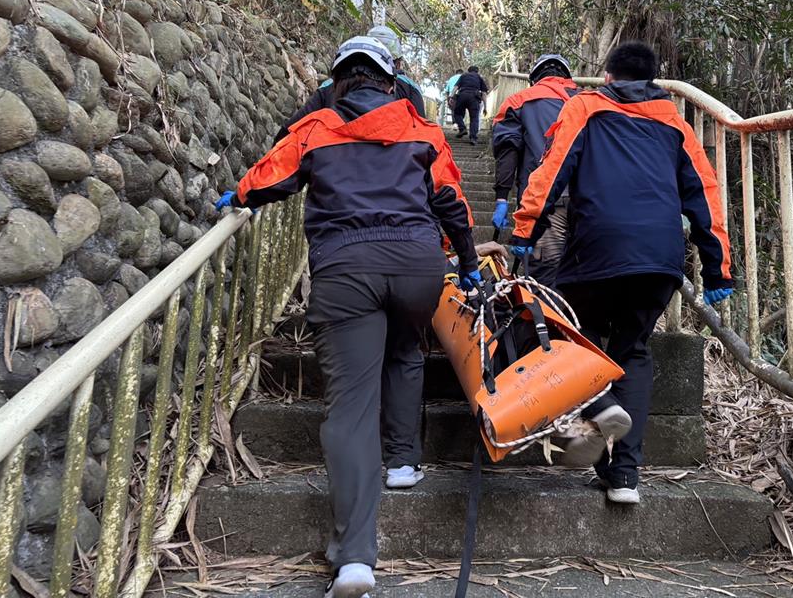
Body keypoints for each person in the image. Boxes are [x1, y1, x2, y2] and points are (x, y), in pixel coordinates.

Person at [215, 36, 481, 597]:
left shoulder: (316, 128)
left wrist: (236, 196)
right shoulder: (422, 129)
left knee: (351, 408)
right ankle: (405, 462)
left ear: (338, 82)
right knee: (407, 351)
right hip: (417, 265)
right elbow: (453, 202)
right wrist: (468, 261)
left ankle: (356, 557)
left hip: (346, 269)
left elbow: (268, 179)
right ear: (390, 82)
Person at [508, 41, 734, 505]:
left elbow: (551, 171)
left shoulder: (585, 106)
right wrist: (717, 271)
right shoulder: (676, 122)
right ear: (652, 81)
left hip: (598, 247)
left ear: (608, 76)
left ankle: (597, 409)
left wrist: (526, 230)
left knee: (569, 336)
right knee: (632, 350)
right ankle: (623, 476)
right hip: (660, 256)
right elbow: (705, 195)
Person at [490, 53, 578, 285]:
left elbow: (508, 153)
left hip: (544, 206)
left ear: (534, 78)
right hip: (591, 206)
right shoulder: (589, 101)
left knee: (545, 282)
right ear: (567, 77)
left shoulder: (518, 101)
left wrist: (501, 199)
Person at [270, 29, 426, 145]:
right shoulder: (410, 88)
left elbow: (289, 132)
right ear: (396, 64)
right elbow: (421, 140)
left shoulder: (329, 86)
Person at [450, 65, 488, 144]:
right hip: (474, 98)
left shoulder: (463, 76)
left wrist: (451, 97)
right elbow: (484, 93)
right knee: (474, 118)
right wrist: (485, 107)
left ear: (468, 70)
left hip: (462, 96)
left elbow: (456, 87)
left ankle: (462, 128)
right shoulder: (479, 78)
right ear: (477, 71)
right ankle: (473, 138)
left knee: (457, 113)